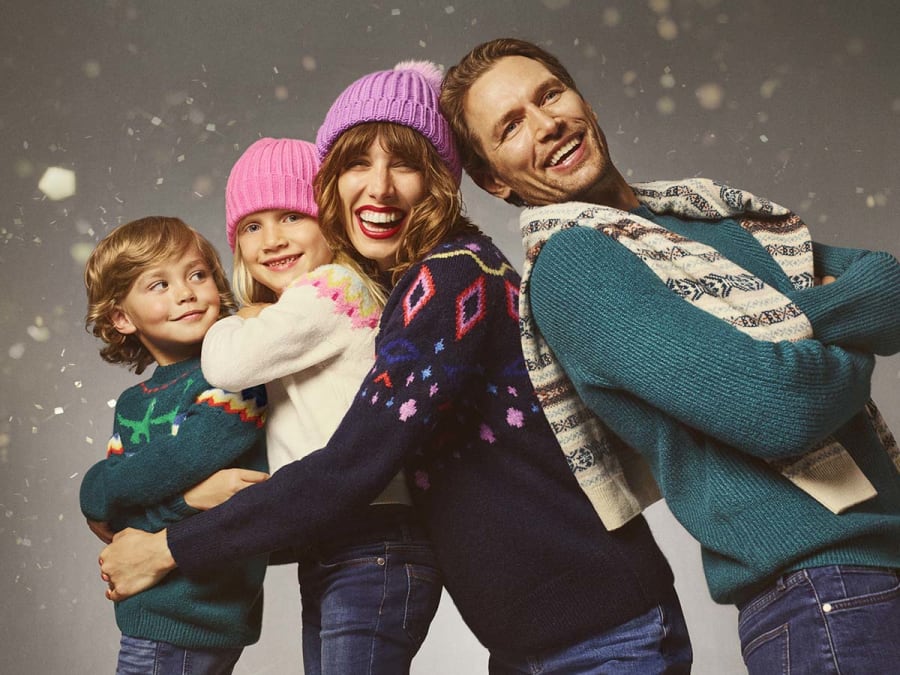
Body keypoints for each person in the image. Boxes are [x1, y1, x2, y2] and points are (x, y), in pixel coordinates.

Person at [98, 61, 693, 674]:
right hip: (539, 641)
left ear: (441, 181)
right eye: (357, 163)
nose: (378, 188)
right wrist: (170, 507)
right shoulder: (406, 291)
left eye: (404, 163)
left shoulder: (451, 280)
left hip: (601, 634)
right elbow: (320, 490)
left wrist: (169, 548)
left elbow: (348, 471)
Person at [440, 37, 900, 674]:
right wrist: (829, 329)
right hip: (824, 592)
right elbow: (782, 409)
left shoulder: (705, 216)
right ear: (494, 179)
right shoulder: (574, 266)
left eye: (549, 95)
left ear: (584, 101)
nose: (547, 125)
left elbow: (890, 288)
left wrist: (774, 331)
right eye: (511, 126)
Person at [201, 136, 441, 674]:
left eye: (291, 215)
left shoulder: (332, 288)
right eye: (251, 227)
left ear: (329, 218)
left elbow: (227, 365)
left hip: (372, 540)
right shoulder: (303, 306)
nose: (272, 239)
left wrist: (233, 318)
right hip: (347, 543)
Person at [79, 216, 268, 674]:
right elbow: (113, 513)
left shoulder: (231, 372)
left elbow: (185, 457)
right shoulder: (132, 403)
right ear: (121, 317)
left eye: (197, 275)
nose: (185, 292)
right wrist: (183, 498)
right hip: (147, 612)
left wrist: (101, 489)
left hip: (196, 612)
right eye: (158, 284)